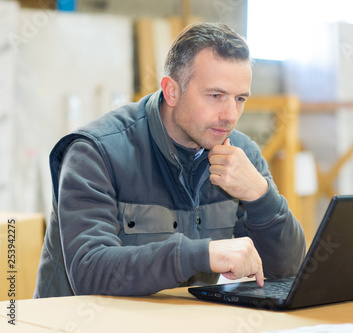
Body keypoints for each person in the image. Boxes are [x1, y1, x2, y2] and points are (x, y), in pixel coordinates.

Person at [34, 22, 306, 298]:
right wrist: (199, 254)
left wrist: (261, 196)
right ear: (172, 91)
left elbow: (287, 269)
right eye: (216, 96)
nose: (230, 115)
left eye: (240, 98)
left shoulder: (240, 155)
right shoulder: (95, 153)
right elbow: (90, 273)